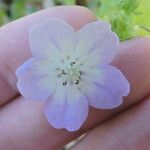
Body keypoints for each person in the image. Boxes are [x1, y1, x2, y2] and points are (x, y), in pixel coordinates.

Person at [0, 6, 149, 150]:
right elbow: (27, 77)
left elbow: (103, 38)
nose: (70, 71)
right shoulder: (35, 67)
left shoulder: (97, 41)